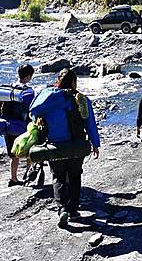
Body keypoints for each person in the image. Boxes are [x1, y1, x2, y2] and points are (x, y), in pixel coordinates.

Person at [30, 69, 100, 228]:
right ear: (74, 82)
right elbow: (90, 123)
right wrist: (95, 144)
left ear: (58, 81)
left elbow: (33, 112)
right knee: (75, 176)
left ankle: (62, 209)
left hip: (55, 146)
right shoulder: (81, 99)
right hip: (76, 145)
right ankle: (73, 211)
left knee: (58, 176)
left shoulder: (49, 97)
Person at [0, 64, 35, 187]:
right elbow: (31, 108)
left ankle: (13, 178)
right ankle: (28, 173)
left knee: (13, 154)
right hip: (22, 127)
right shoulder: (28, 91)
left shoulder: (8, 89)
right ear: (28, 76)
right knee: (29, 151)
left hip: (8, 126)